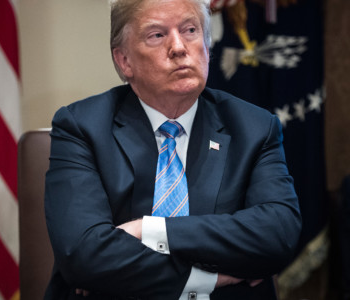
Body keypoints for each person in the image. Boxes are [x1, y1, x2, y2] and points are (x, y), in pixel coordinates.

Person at [44, 0, 302, 299]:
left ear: (206, 46)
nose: (179, 47)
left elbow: (277, 236)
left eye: (190, 30)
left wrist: (149, 230)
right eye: (157, 35)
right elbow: (84, 255)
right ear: (124, 60)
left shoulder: (254, 128)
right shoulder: (82, 127)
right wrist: (207, 280)